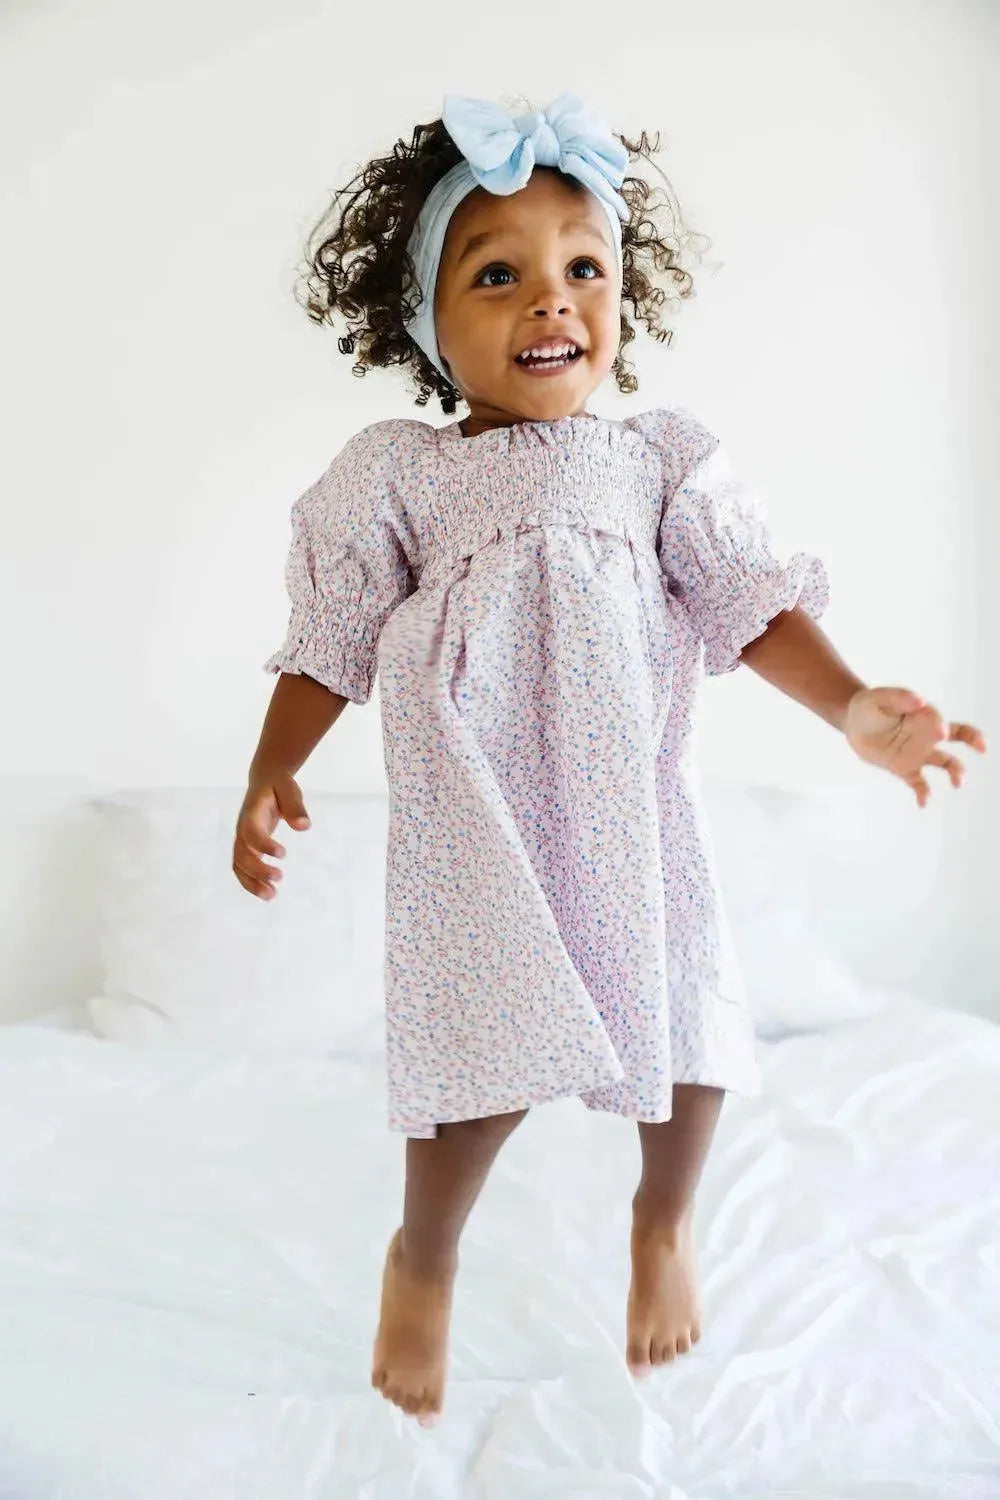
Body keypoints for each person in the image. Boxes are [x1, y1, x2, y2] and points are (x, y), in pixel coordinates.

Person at [233, 92, 987, 1427]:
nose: (552, 299)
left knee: (688, 1019)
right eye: (498, 275)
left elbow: (749, 602)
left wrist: (856, 709)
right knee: (477, 1056)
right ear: (424, 321)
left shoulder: (656, 462)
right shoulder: (402, 475)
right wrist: (271, 765)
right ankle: (426, 1253)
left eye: (585, 268)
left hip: (636, 810)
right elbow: (333, 634)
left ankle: (664, 1217)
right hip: (480, 821)